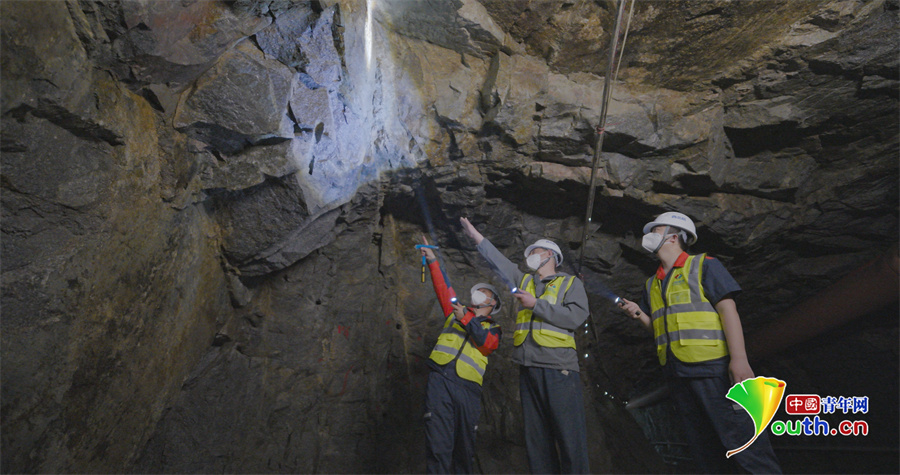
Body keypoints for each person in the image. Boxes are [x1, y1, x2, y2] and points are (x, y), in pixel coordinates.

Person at [617, 211, 782, 474]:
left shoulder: (704, 265)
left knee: (745, 445)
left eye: (655, 231)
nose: (648, 237)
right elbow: (661, 331)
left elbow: (728, 310)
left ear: (673, 237)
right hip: (678, 375)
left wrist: (739, 360)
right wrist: (640, 315)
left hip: (713, 370)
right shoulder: (652, 284)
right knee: (704, 451)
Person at [460, 218, 590, 474]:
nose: (529, 255)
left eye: (535, 252)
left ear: (551, 255)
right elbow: (499, 262)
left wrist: (536, 305)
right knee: (537, 442)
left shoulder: (570, 283)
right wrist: (476, 236)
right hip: (528, 369)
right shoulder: (525, 281)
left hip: (558, 369)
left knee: (569, 439)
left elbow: (576, 317)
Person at [419, 236, 502, 474]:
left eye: (484, 293)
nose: (478, 294)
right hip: (441, 380)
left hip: (468, 390)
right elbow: (444, 288)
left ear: (493, 303)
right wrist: (433, 259)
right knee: (438, 445)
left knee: (464, 450)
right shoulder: (454, 311)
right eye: (477, 291)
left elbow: (487, 345)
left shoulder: (493, 328)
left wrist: (466, 318)